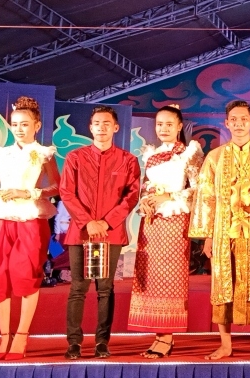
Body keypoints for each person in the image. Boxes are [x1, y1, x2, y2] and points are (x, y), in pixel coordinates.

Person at [188, 100, 250, 361]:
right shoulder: (215, 157)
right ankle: (225, 344)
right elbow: (206, 197)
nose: (239, 124)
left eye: (244, 119)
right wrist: (207, 235)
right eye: (234, 119)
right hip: (223, 231)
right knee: (223, 284)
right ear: (227, 122)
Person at [0, 96, 60, 360]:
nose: (19, 129)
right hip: (3, 218)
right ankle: (4, 336)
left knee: (26, 274)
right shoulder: (2, 153)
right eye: (15, 124)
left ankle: (22, 336)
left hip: (31, 219)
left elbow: (57, 187)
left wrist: (28, 192)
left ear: (36, 125)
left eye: (25, 124)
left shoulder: (44, 153)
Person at [59, 106, 141, 360]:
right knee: (78, 288)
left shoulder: (128, 160)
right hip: (81, 233)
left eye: (107, 123)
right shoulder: (76, 157)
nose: (102, 127)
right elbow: (66, 193)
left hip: (110, 233)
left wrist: (106, 222)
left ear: (116, 127)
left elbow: (131, 196)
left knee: (105, 289)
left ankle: (102, 342)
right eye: (97, 123)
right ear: (90, 127)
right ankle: (73, 342)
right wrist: (87, 222)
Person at [127, 105, 204, 358]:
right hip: (151, 223)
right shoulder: (152, 154)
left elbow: (199, 190)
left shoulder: (188, 153)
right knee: (149, 275)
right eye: (159, 124)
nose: (163, 129)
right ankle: (157, 333)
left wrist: (168, 195)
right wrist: (147, 200)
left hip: (175, 219)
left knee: (169, 276)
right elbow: (148, 187)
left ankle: (167, 337)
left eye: (169, 124)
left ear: (180, 126)